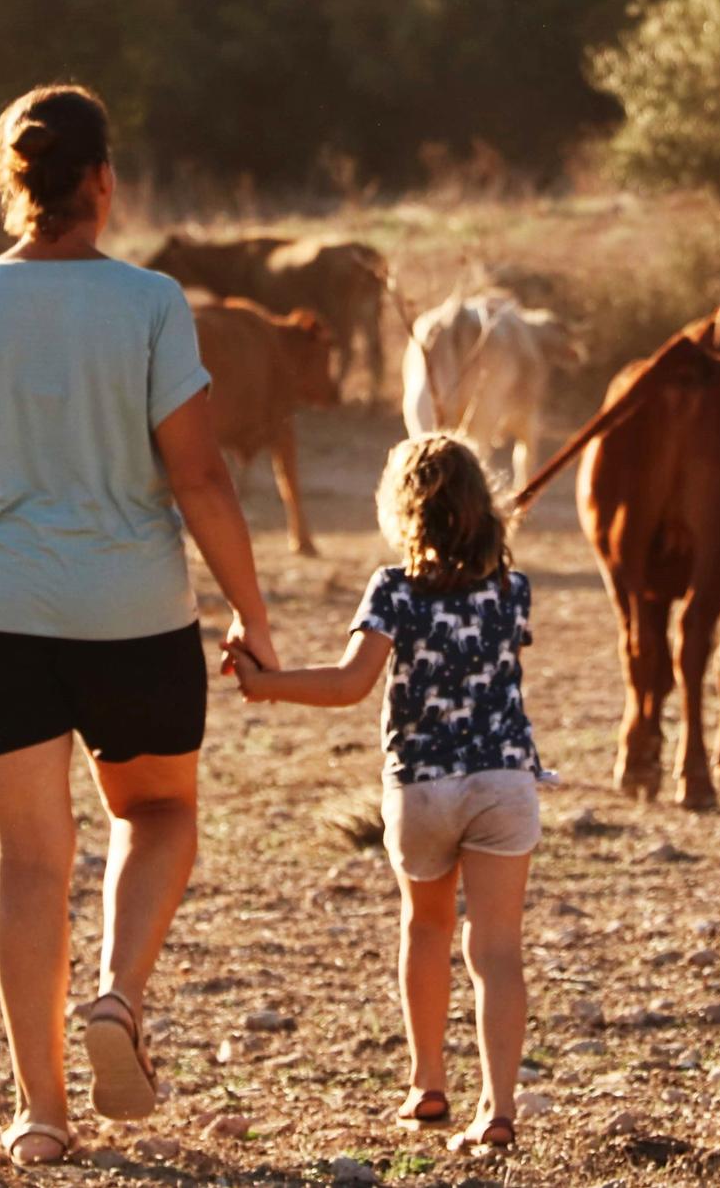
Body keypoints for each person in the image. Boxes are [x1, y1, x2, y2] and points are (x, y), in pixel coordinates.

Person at [0, 84, 276, 1166]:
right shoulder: (149, 304)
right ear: (101, 182)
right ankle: (118, 997)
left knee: (27, 858)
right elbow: (198, 477)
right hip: (130, 619)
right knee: (156, 812)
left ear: (14, 185)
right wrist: (252, 610)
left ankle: (41, 1113)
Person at [228, 434, 538, 1155]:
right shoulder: (510, 590)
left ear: (404, 512)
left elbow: (348, 684)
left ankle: (427, 1082)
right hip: (503, 780)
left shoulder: (393, 589)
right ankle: (498, 1107)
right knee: (496, 947)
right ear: (482, 510)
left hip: (421, 787)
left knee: (425, 926)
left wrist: (265, 684)